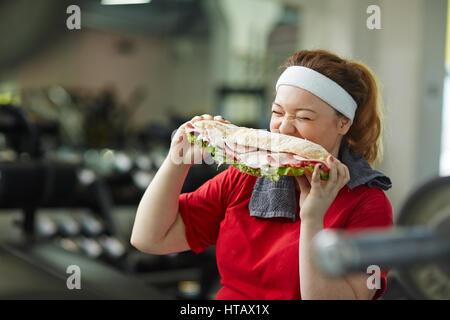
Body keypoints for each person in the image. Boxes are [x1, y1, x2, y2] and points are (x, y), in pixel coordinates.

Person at [130, 49, 393, 300]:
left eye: (304, 117)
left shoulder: (368, 204)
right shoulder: (245, 178)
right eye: (277, 112)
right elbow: (149, 239)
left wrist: (312, 219)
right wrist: (176, 161)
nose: (284, 127)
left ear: (343, 123)